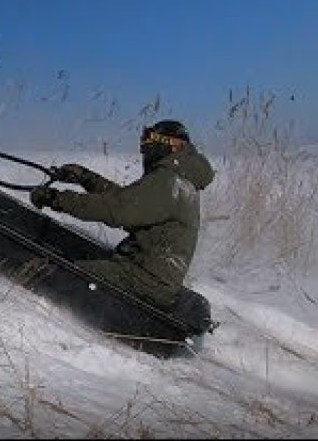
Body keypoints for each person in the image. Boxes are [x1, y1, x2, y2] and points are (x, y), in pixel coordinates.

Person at [28, 120, 215, 310]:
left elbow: (119, 209)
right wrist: (87, 178)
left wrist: (57, 199)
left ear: (167, 145)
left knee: (58, 275)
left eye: (148, 142)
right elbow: (128, 202)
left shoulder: (170, 183)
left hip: (143, 281)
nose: (144, 149)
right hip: (145, 275)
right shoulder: (178, 181)